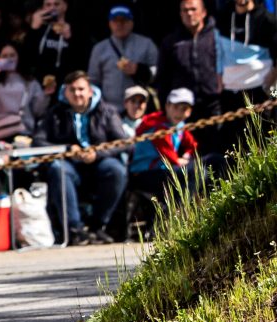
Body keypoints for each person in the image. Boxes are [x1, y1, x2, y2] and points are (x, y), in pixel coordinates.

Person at [38, 71, 130, 245]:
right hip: (70, 164)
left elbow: (125, 143)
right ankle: (75, 229)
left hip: (100, 162)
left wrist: (97, 153)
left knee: (116, 170)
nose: (77, 94)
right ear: (65, 92)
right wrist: (67, 149)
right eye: (72, 90)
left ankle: (98, 225)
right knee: (58, 169)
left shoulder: (107, 111)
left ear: (90, 91)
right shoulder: (55, 113)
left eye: (81, 89)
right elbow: (39, 141)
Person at [128, 88, 202, 238]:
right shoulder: (157, 125)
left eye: (184, 108)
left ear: (189, 111)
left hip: (163, 170)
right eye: (176, 107)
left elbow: (192, 144)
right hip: (144, 173)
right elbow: (167, 154)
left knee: (201, 170)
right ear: (167, 106)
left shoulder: (179, 125)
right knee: (194, 172)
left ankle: (173, 216)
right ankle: (175, 215)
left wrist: (186, 155)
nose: (179, 112)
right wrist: (180, 160)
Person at [158, 0, 223, 158]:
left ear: (204, 12)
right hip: (183, 111)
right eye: (185, 10)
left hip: (214, 106)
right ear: (180, 14)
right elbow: (163, 79)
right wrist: (167, 110)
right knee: (188, 160)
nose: (189, 13)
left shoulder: (217, 38)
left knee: (217, 156)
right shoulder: (170, 42)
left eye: (193, 9)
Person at [88, 6, 159, 106]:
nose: (119, 24)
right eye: (115, 21)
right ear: (109, 23)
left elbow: (159, 73)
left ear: (131, 23)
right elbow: (93, 81)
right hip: (110, 107)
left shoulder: (147, 44)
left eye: (124, 21)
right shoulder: (99, 49)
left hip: (139, 106)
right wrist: (99, 105)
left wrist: (139, 70)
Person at [0, 43, 49, 140]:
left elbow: (38, 111)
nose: (9, 59)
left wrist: (46, 95)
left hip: (24, 130)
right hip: (0, 129)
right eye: (4, 56)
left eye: (12, 55)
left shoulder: (30, 81)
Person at [23, 0, 87, 83]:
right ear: (43, 7)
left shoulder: (75, 28)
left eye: (56, 4)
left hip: (66, 82)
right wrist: (33, 29)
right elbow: (26, 57)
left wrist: (70, 38)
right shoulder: (38, 28)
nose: (52, 8)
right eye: (48, 5)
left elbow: (82, 59)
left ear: (65, 6)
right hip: (40, 81)